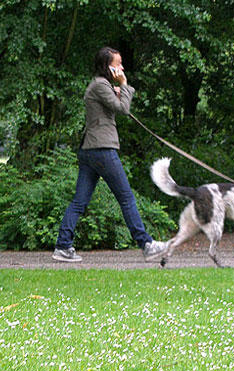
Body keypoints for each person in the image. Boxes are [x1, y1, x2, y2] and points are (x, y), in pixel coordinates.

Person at [52, 46, 167, 262]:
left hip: (90, 150)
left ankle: (63, 246)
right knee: (126, 198)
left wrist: (119, 89)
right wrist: (123, 85)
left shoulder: (101, 85)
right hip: (102, 150)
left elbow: (114, 105)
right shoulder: (101, 84)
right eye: (118, 64)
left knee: (79, 201)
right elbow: (123, 109)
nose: (122, 68)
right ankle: (147, 244)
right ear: (108, 67)